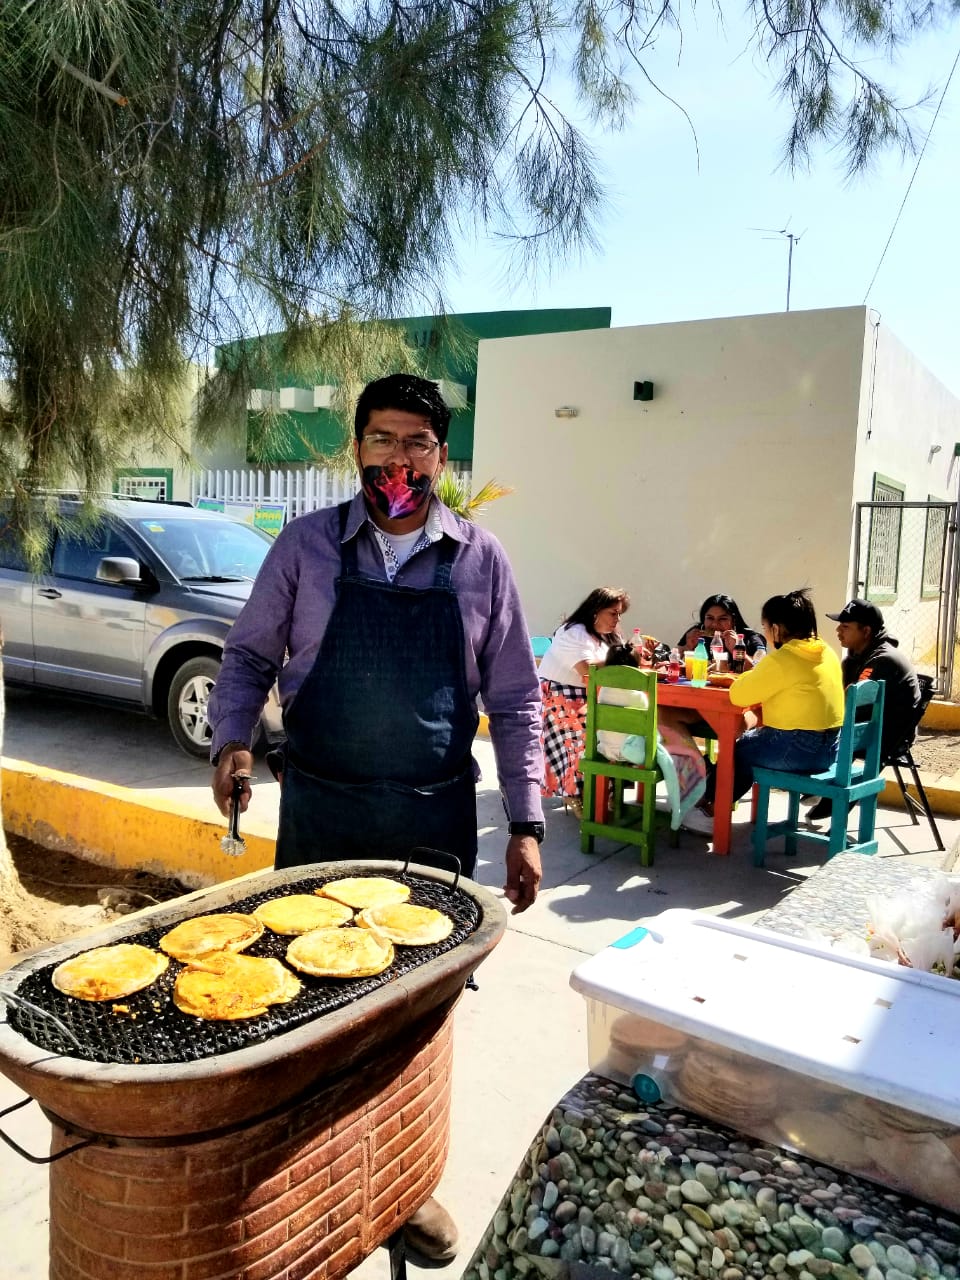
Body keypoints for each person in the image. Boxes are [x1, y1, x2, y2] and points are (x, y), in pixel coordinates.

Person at [208, 373, 544, 1264]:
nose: (400, 460)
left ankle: (403, 1187)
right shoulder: (306, 547)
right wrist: (232, 740)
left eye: (418, 443)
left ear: (442, 455)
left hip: (431, 826)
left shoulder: (481, 561)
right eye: (384, 440)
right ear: (356, 447)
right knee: (302, 1010)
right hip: (322, 813)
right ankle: (304, 1184)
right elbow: (246, 656)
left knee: (410, 1026)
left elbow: (514, 702)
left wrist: (527, 821)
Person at [684, 589, 844, 832]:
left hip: (797, 748)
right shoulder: (825, 651)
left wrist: (732, 682)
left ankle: (711, 810)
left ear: (777, 629)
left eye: (766, 627)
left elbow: (739, 696)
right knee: (749, 743)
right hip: (832, 749)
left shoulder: (783, 659)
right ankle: (710, 803)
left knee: (737, 751)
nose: (766, 633)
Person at [804, 599, 923, 821]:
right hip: (869, 726)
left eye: (846, 626)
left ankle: (821, 790)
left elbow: (853, 700)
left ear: (866, 631)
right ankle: (820, 791)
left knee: (817, 733)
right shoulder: (858, 656)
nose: (838, 630)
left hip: (888, 736)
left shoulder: (882, 659)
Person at [537, 586, 630, 818]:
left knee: (623, 728)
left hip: (588, 696)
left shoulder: (607, 636)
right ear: (596, 610)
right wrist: (627, 659)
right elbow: (587, 671)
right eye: (613, 613)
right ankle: (574, 792)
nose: (617, 619)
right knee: (584, 734)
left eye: (619, 614)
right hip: (559, 696)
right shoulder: (573, 632)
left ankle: (604, 789)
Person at [594, 644, 707, 829]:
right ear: (638, 668)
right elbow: (648, 729)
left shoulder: (603, 690)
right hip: (632, 754)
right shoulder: (639, 695)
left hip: (605, 748)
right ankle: (689, 791)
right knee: (664, 740)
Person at [677, 593, 766, 667]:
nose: (715, 624)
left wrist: (736, 651)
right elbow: (671, 661)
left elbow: (759, 669)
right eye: (710, 618)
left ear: (734, 620)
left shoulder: (752, 638)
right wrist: (687, 647)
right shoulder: (696, 634)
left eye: (722, 619)